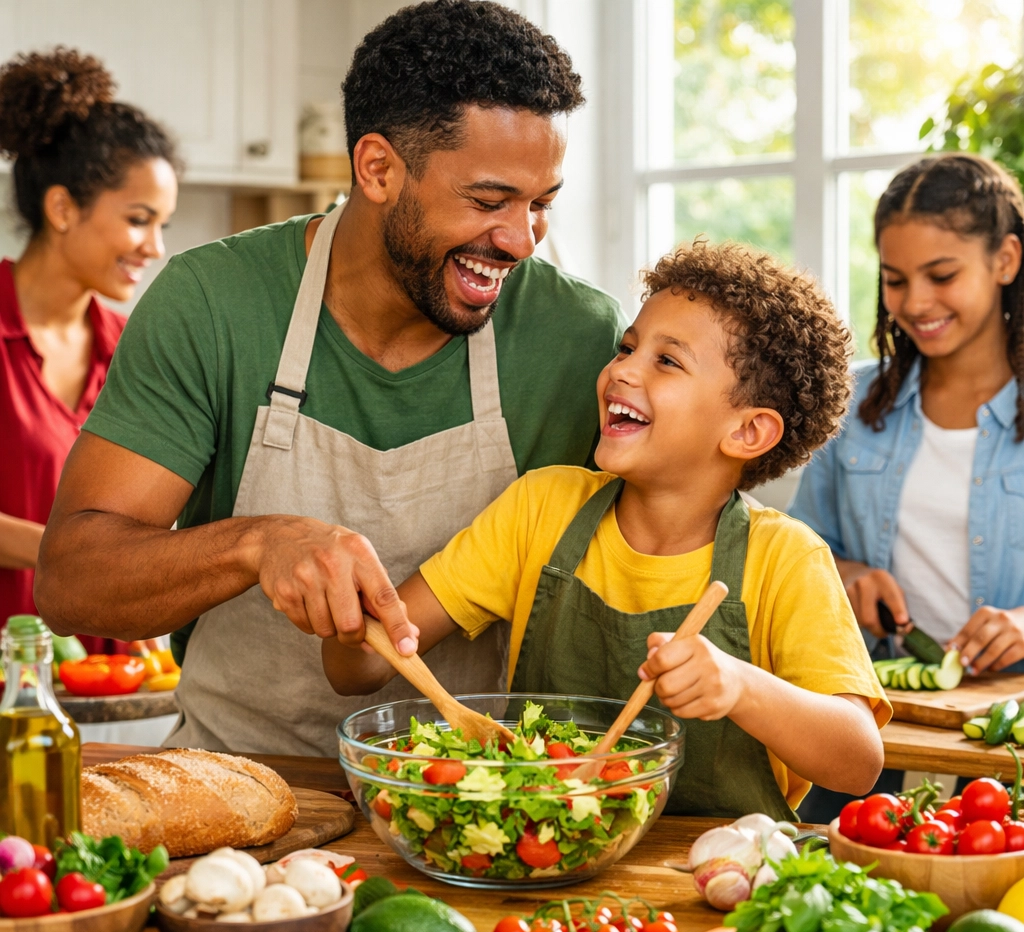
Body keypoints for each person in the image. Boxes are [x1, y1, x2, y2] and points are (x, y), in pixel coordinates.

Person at [35, 1, 627, 756]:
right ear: (377, 168)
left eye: (541, 204)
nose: (519, 240)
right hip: (238, 784)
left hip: (483, 802)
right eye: (487, 201)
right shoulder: (213, 303)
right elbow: (69, 582)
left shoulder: (577, 338)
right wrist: (256, 544)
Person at [323, 240, 889, 818]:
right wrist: (347, 616)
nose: (622, 370)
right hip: (543, 852)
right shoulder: (542, 508)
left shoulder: (784, 558)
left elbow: (857, 761)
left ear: (748, 432)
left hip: (717, 873)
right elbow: (357, 669)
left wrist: (741, 688)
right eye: (627, 347)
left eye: (667, 361)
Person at [791, 153, 1024, 675]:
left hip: (1010, 723)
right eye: (895, 280)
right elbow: (798, 548)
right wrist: (847, 575)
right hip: (888, 712)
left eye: (941, 276)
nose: (916, 303)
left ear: (1005, 259)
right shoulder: (854, 399)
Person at [0, 48, 179, 652]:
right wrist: (75, 562)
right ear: (61, 208)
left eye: (164, 225)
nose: (153, 247)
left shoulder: (133, 344)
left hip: (114, 683)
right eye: (138, 219)